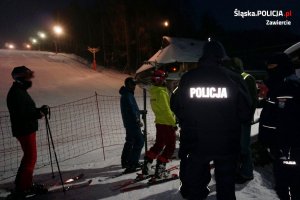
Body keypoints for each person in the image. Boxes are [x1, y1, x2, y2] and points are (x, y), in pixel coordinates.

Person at [172, 41, 252, 199]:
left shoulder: (188, 78)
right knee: (226, 187)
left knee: (195, 187)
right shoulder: (234, 78)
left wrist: (189, 120)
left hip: (196, 142)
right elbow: (246, 113)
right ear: (221, 57)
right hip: (227, 144)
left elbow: (176, 105)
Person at [258, 53, 300, 200]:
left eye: (272, 67)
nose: (269, 70)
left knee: (293, 183)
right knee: (282, 184)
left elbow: (287, 120)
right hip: (279, 146)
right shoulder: (277, 86)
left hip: (289, 146)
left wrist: (284, 145)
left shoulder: (290, 87)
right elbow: (271, 116)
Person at [6, 66, 49, 199]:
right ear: (20, 78)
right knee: (30, 158)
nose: (30, 80)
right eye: (27, 77)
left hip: (25, 128)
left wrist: (37, 110)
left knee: (29, 157)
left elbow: (26, 109)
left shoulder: (19, 90)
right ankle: (23, 187)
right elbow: (22, 114)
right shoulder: (17, 93)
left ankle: (23, 184)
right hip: (24, 129)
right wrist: (38, 113)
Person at [142, 69, 177, 179]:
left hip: (159, 123)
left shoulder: (154, 91)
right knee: (170, 146)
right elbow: (167, 110)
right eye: (158, 79)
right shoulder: (161, 92)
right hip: (167, 123)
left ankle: (146, 167)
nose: (160, 81)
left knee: (159, 144)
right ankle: (160, 170)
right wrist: (173, 123)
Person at [229, 57, 258, 184]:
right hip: (233, 119)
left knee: (244, 147)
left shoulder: (247, 78)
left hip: (243, 120)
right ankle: (236, 170)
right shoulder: (231, 77)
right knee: (234, 146)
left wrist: (247, 117)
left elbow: (253, 101)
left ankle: (247, 173)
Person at [119, 77, 144, 173]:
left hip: (129, 122)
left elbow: (132, 109)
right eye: (132, 84)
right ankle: (132, 163)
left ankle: (126, 161)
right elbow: (131, 109)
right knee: (139, 141)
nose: (134, 86)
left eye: (135, 84)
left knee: (130, 141)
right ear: (128, 84)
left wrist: (140, 112)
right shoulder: (127, 95)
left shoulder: (127, 94)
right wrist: (137, 120)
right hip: (132, 123)